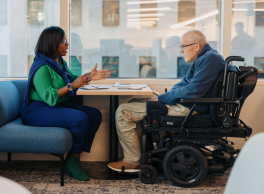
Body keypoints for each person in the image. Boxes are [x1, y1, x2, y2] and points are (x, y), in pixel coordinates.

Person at [108, 29, 230, 172]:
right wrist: (164, 97)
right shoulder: (206, 57)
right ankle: (141, 155)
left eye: (183, 47)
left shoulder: (210, 59)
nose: (181, 51)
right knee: (133, 101)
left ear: (197, 46)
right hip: (191, 104)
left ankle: (133, 161)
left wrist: (161, 98)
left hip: (193, 108)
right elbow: (185, 84)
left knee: (124, 110)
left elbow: (193, 90)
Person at [20, 26, 111, 181]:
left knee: (94, 115)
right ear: (52, 44)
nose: (67, 44)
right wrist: (72, 86)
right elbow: (50, 96)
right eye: (63, 41)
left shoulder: (59, 62)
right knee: (80, 118)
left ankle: (72, 158)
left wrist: (90, 76)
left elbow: (74, 78)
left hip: (54, 107)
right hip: (36, 111)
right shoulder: (41, 67)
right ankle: (74, 161)